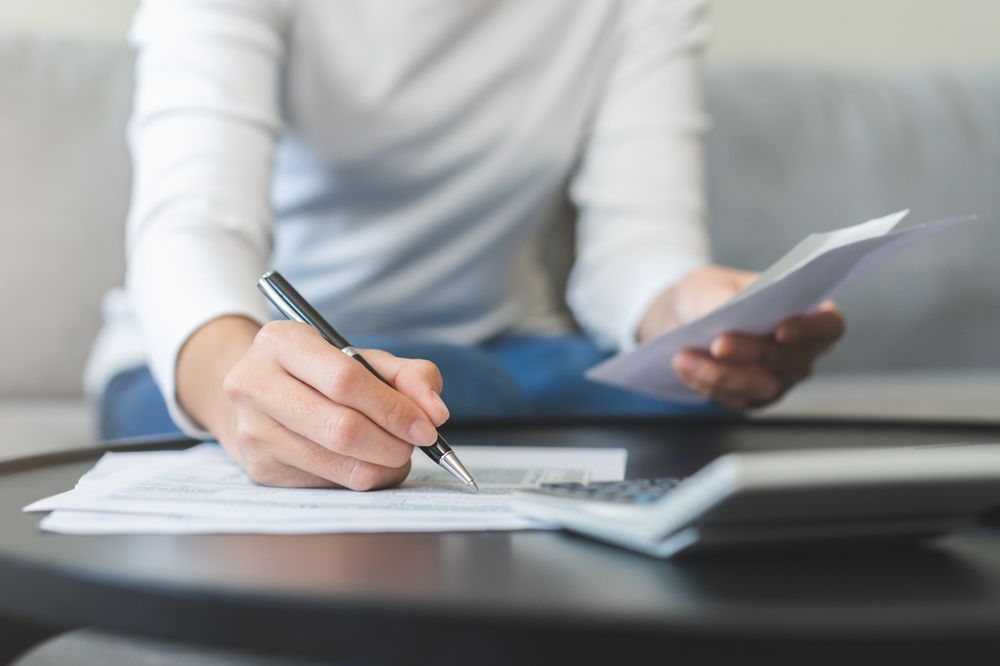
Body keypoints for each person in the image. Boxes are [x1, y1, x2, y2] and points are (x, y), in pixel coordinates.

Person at [86, 0, 844, 491]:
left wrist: (696, 314)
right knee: (470, 392)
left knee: (680, 399)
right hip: (232, 352)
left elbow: (637, 247)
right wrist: (232, 387)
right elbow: (192, 226)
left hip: (508, 350)